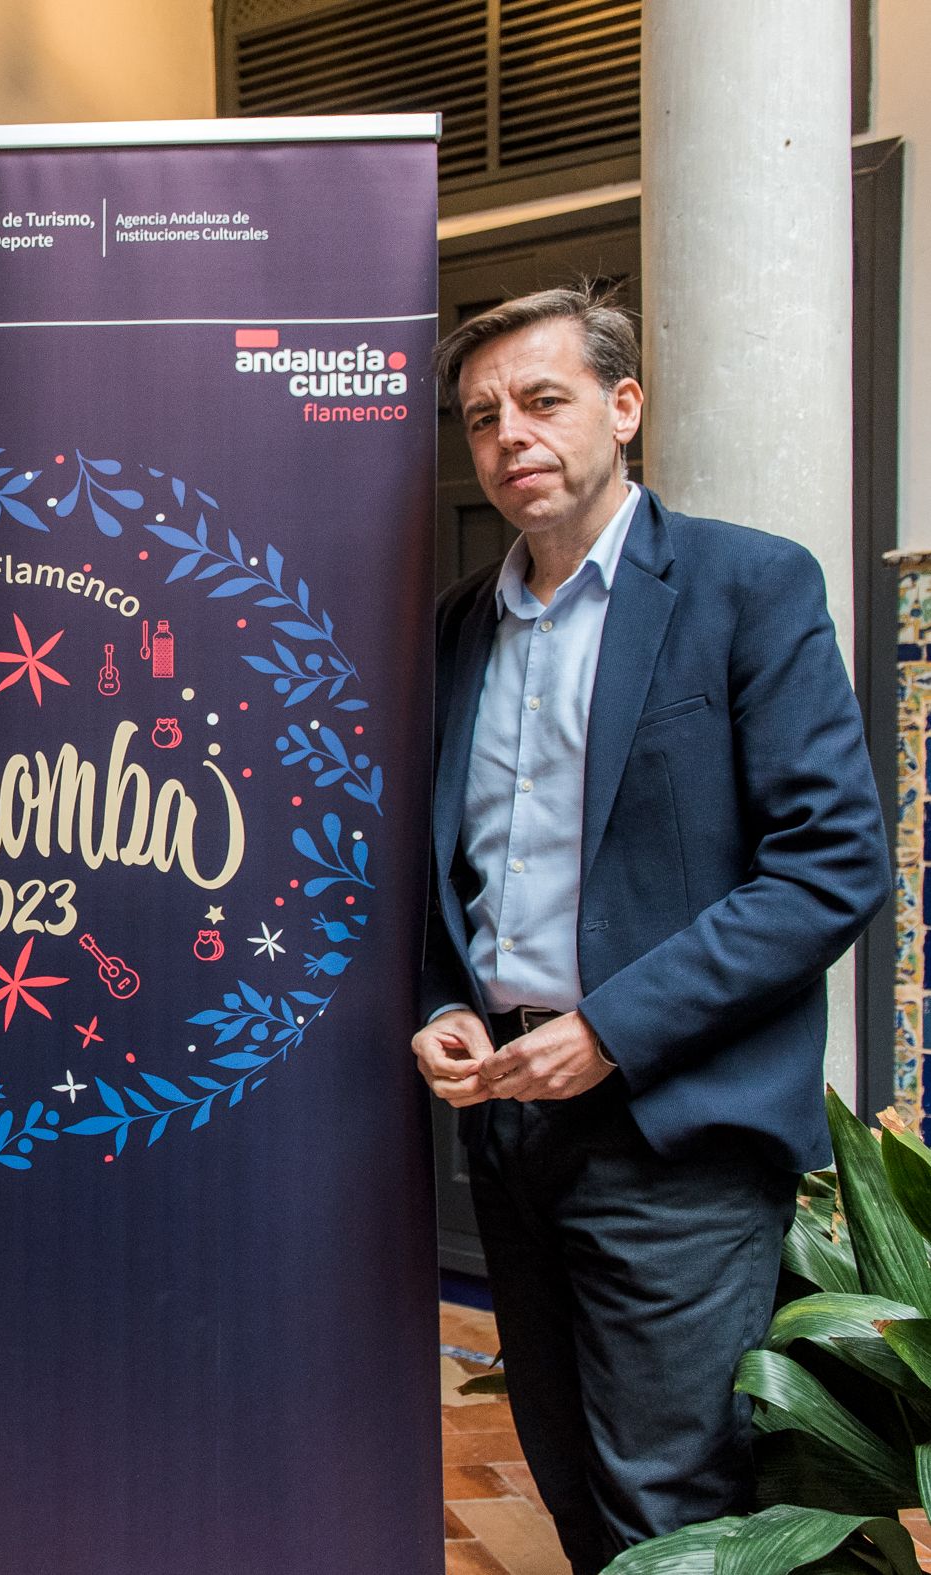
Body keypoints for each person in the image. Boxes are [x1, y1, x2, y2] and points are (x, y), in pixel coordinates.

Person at [411, 285, 891, 1572]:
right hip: (509, 1121)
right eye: (482, 417)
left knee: (672, 1504)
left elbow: (831, 865)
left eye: (543, 399)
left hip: (670, 1128)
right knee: (567, 1469)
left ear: (623, 409)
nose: (510, 434)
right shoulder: (459, 628)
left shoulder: (745, 585)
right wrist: (443, 1001)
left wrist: (611, 1031)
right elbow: (439, 873)